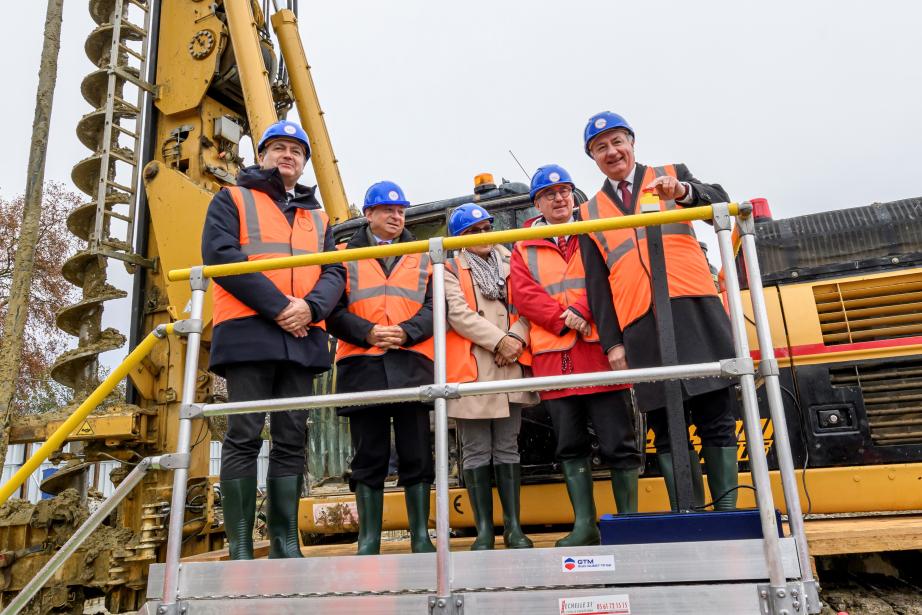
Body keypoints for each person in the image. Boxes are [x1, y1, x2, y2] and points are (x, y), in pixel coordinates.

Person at [578, 111, 740, 511]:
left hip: (694, 309)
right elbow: (597, 284)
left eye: (618, 141)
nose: (612, 151)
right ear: (593, 158)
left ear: (632, 142)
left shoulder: (670, 174)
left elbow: (720, 201)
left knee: (715, 415)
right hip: (640, 323)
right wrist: (613, 343)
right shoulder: (588, 211)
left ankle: (726, 514)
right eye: (601, 148)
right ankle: (688, 514)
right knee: (666, 428)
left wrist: (683, 191)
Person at [202, 119, 345, 559]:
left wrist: (311, 308)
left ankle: (285, 542)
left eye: (296, 151)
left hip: (302, 336)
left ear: (303, 163)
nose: (288, 155)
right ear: (262, 155)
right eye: (279, 148)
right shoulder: (231, 199)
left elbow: (335, 270)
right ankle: (242, 543)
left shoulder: (317, 216)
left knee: (291, 436)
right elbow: (220, 255)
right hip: (250, 332)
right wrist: (281, 307)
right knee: (244, 433)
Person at [510, 165, 641, 547]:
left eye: (565, 191)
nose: (559, 198)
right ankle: (585, 526)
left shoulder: (593, 232)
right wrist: (563, 320)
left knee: (619, 441)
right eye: (550, 194)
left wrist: (584, 310)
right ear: (537, 203)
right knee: (570, 444)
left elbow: (610, 275)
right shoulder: (522, 245)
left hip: (599, 350)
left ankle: (627, 525)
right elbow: (523, 294)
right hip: (555, 355)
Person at [327, 181, 436, 555]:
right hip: (362, 365)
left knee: (417, 453)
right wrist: (368, 332)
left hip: (412, 362)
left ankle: (420, 535)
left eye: (401, 210)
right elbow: (331, 310)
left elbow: (436, 309)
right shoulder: (341, 254)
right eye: (388, 210)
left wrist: (406, 333)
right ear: (368, 214)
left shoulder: (423, 253)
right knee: (368, 454)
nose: (396, 216)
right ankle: (368, 538)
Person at [444, 203, 538, 551]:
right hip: (473, 370)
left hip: (509, 364)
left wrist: (515, 338)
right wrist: (500, 340)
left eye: (485, 228)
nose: (482, 236)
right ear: (459, 239)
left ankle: (514, 529)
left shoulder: (514, 262)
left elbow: (528, 305)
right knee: (475, 450)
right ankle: (484, 531)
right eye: (472, 232)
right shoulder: (450, 267)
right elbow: (458, 314)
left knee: (507, 446)